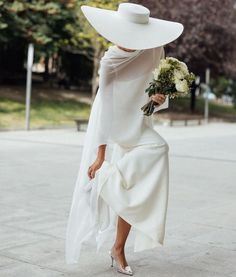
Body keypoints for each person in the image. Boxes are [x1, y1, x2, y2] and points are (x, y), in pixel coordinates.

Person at [65, 3, 184, 276]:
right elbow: (104, 110)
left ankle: (118, 246)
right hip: (117, 127)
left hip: (139, 125)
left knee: (157, 150)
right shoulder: (109, 62)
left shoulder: (155, 49)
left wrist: (157, 100)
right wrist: (100, 155)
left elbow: (152, 97)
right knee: (133, 177)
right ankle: (108, 175)